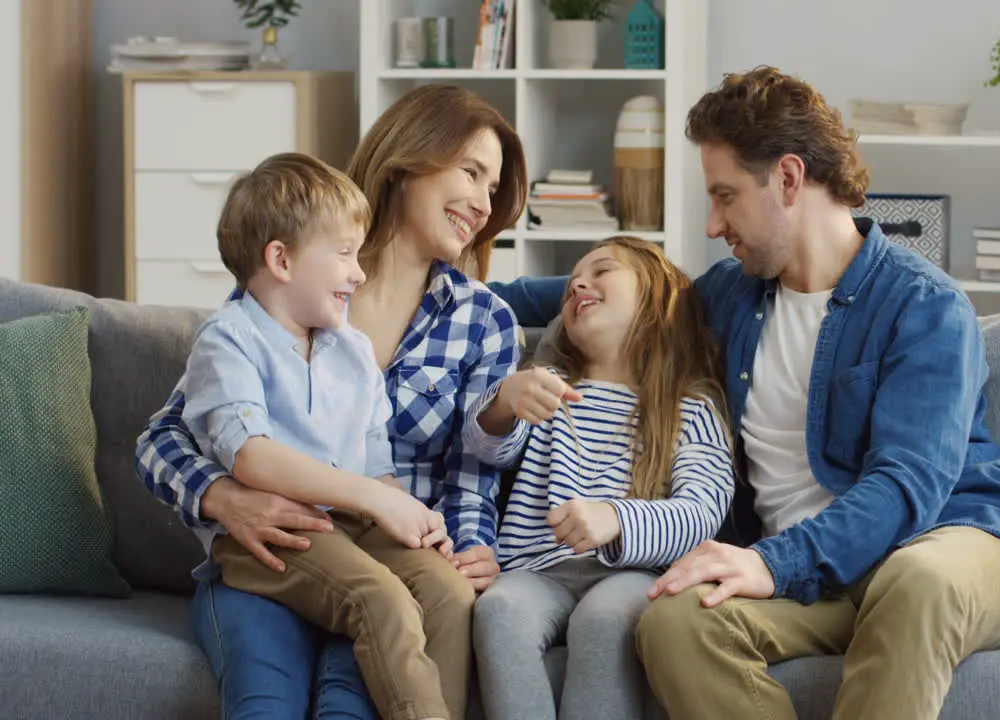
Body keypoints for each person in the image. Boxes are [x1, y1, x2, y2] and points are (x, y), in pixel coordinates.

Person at [485, 66, 1000, 720]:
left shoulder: (924, 306)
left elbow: (907, 486)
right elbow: (607, 292)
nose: (712, 223)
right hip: (819, 582)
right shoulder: (731, 297)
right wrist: (443, 292)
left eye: (725, 197)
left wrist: (772, 564)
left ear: (787, 178)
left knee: (915, 582)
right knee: (674, 622)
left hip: (948, 543)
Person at [134, 84, 528, 719]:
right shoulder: (299, 288)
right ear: (409, 161)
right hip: (283, 543)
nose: (484, 204)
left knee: (411, 619)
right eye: (472, 173)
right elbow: (165, 439)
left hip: (384, 545)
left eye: (494, 188)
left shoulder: (483, 319)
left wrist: (467, 547)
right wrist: (225, 497)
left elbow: (472, 479)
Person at [180, 151, 465, 720]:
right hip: (273, 530)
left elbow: (375, 463)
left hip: (350, 524)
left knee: (449, 593)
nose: (358, 273)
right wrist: (373, 496)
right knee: (379, 597)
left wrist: (410, 516)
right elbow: (252, 459)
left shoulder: (351, 349)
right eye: (344, 255)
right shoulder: (227, 341)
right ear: (281, 259)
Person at [467, 236, 736, 720]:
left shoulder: (692, 410)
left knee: (604, 619)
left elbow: (701, 512)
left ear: (656, 303)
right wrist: (505, 401)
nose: (577, 284)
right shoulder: (546, 387)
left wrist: (617, 518)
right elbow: (489, 452)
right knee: (498, 611)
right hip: (534, 568)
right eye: (572, 280)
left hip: (632, 572)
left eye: (602, 271)